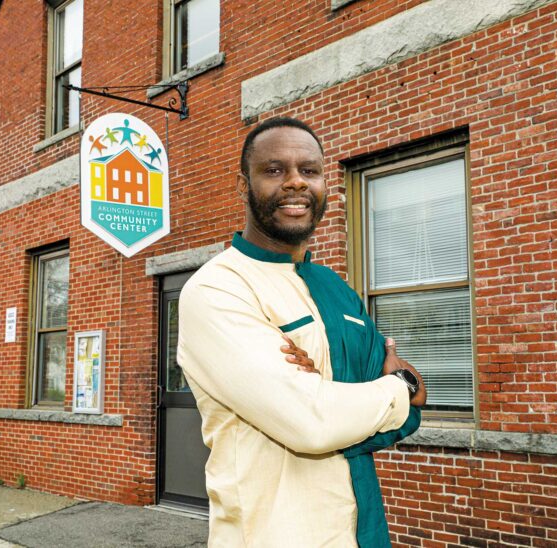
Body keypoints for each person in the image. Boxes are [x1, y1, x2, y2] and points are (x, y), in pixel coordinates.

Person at [177, 117, 427, 547]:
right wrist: (399, 386)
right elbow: (313, 424)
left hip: (364, 532)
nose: (295, 183)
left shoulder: (336, 289)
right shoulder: (217, 288)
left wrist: (349, 394)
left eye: (309, 171)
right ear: (244, 183)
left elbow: (412, 408)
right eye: (274, 170)